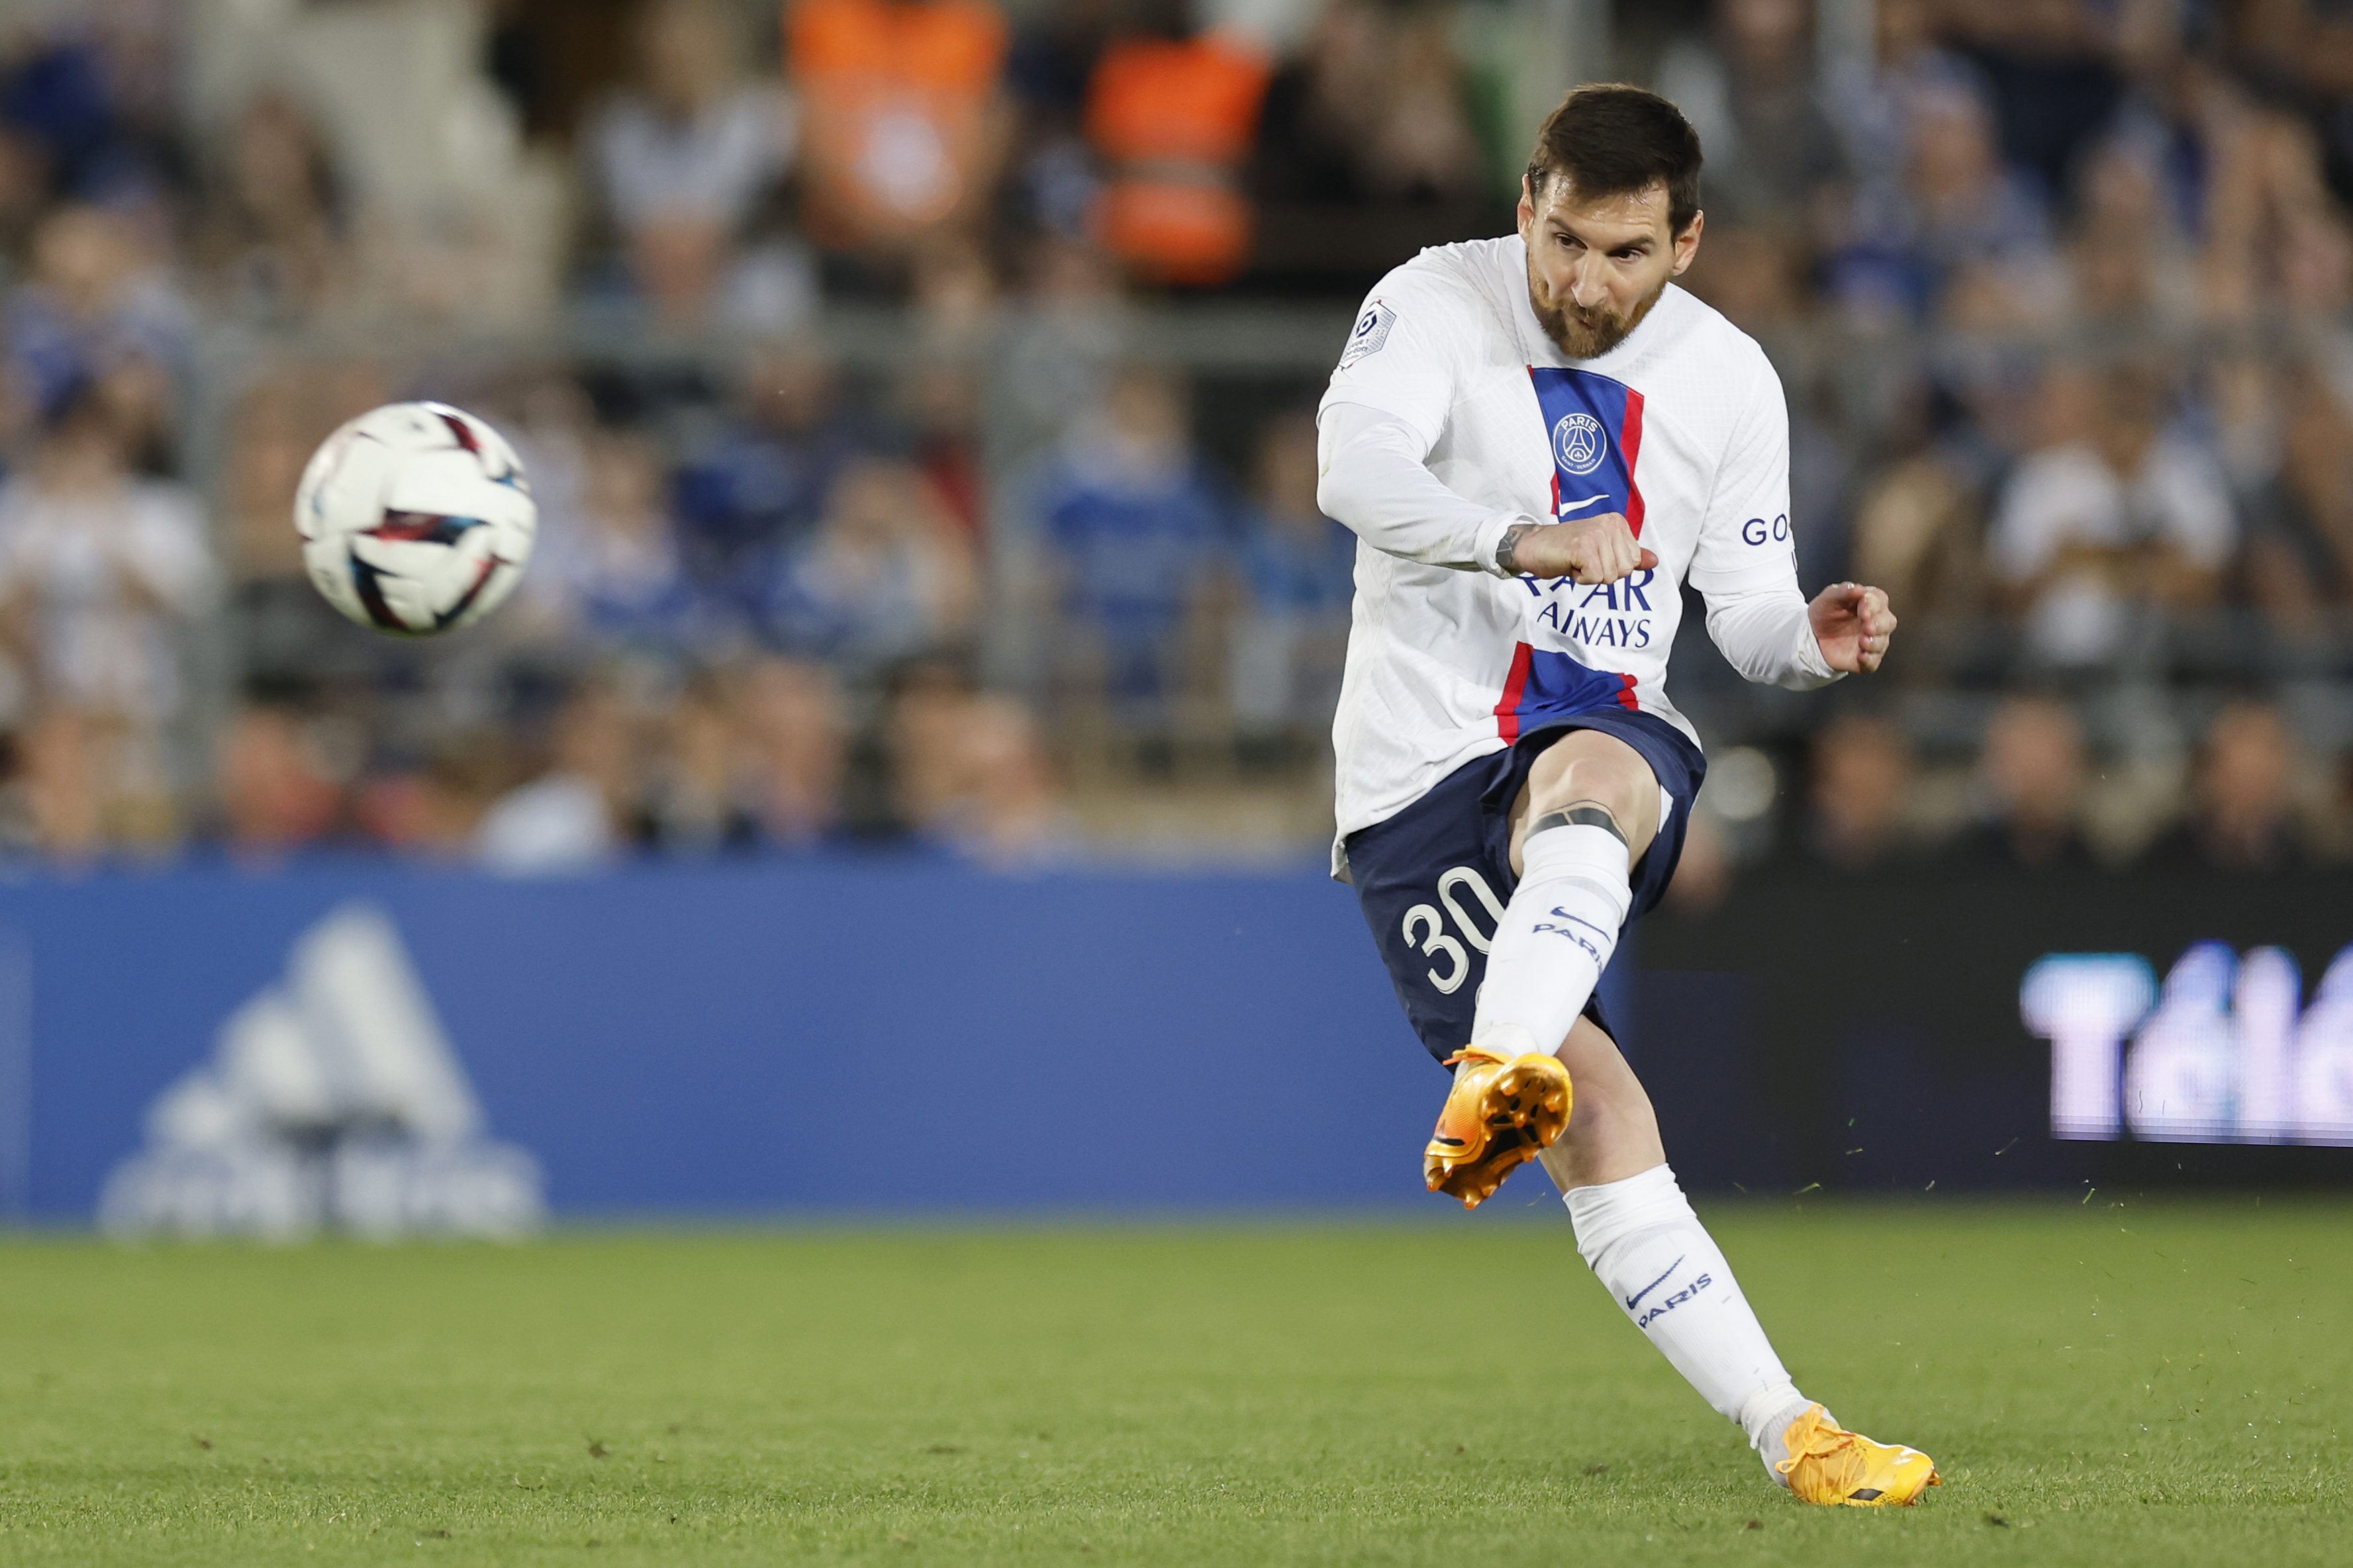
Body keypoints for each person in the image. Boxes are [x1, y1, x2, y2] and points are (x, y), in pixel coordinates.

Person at [1314, 84, 1935, 1506]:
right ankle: (1779, 1417)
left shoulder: (1727, 377)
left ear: (1688, 243)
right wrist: (1520, 540)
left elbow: (1752, 615)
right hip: (1412, 770)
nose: (1582, 282)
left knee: (1596, 776)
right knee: (1600, 1123)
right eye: (1562, 238)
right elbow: (1350, 471)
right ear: (1527, 199)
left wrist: (1812, 640)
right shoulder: (1432, 298)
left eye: (1623, 254)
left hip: (1596, 715)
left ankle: (1798, 1433)